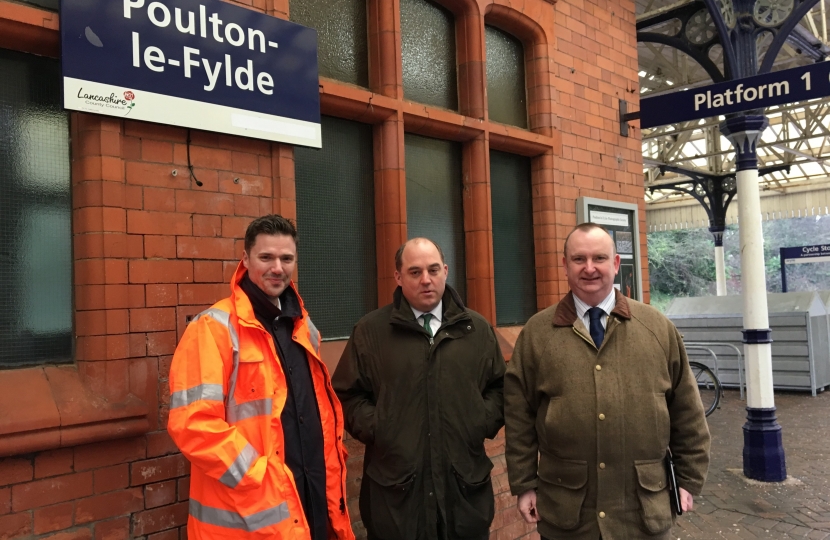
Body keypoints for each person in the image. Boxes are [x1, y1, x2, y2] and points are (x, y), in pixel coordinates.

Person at [504, 223, 710, 540]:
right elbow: (519, 418)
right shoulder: (537, 335)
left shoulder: (657, 328)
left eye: (599, 258)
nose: (589, 268)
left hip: (642, 512)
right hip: (568, 514)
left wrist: (688, 479)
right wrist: (524, 484)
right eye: (579, 259)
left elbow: (687, 412)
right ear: (564, 265)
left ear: (615, 264)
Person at [168, 214, 354, 540]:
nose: (277, 267)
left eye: (286, 258)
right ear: (246, 259)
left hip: (310, 503)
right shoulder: (213, 328)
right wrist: (258, 476)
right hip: (249, 518)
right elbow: (193, 424)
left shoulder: (303, 326)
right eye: (266, 257)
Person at [332, 238, 506, 540]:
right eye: (414, 272)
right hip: (397, 498)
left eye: (433, 269)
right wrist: (381, 427)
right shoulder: (371, 332)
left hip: (464, 493)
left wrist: (479, 420)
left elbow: (500, 388)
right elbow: (347, 395)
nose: (426, 279)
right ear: (398, 277)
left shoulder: (475, 329)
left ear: (446, 271)